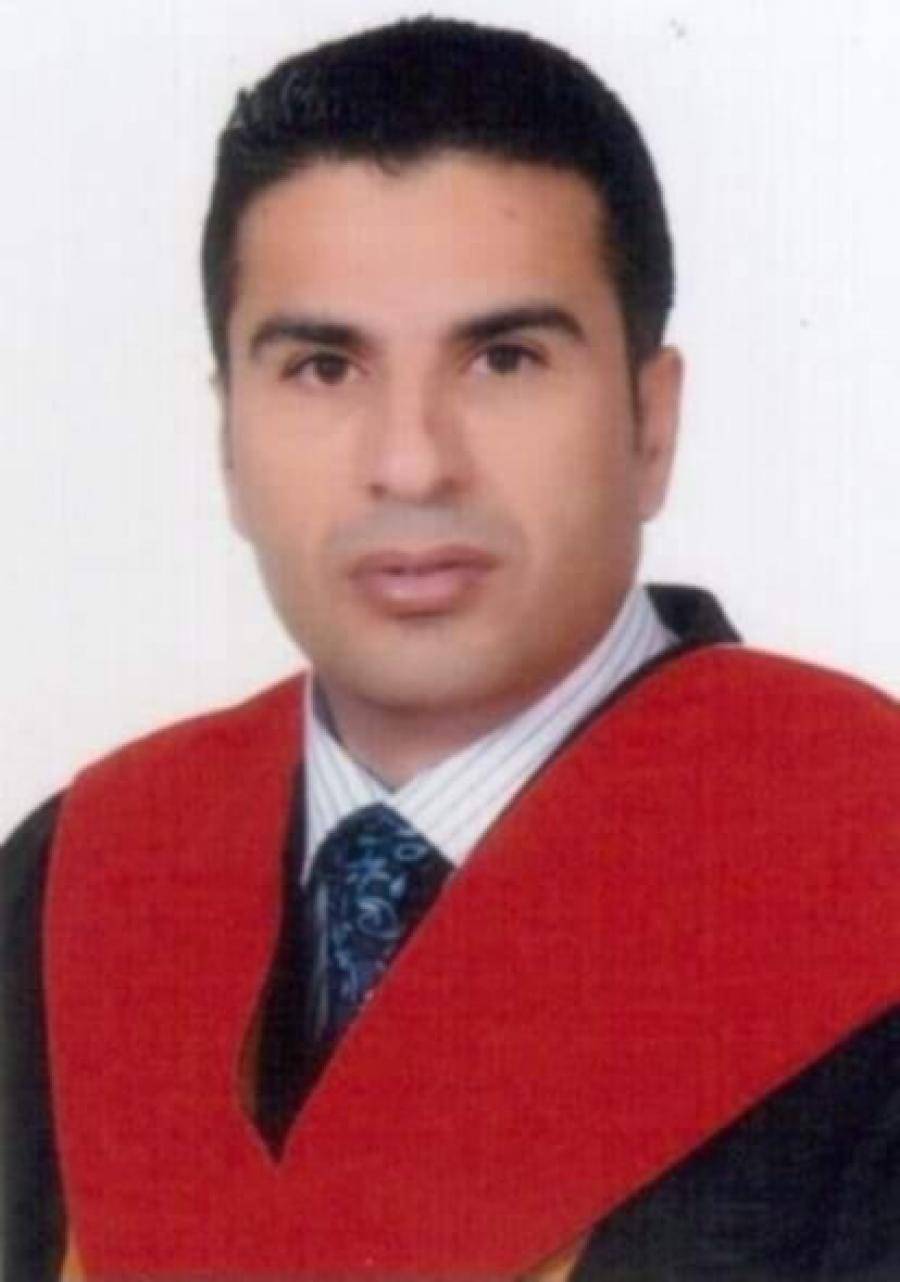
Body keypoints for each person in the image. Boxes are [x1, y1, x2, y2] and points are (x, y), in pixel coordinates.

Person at [2, 15, 898, 1282]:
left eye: (504, 359)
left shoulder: (859, 868)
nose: (412, 462)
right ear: (228, 442)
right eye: (324, 367)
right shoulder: (75, 883)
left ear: (650, 425)